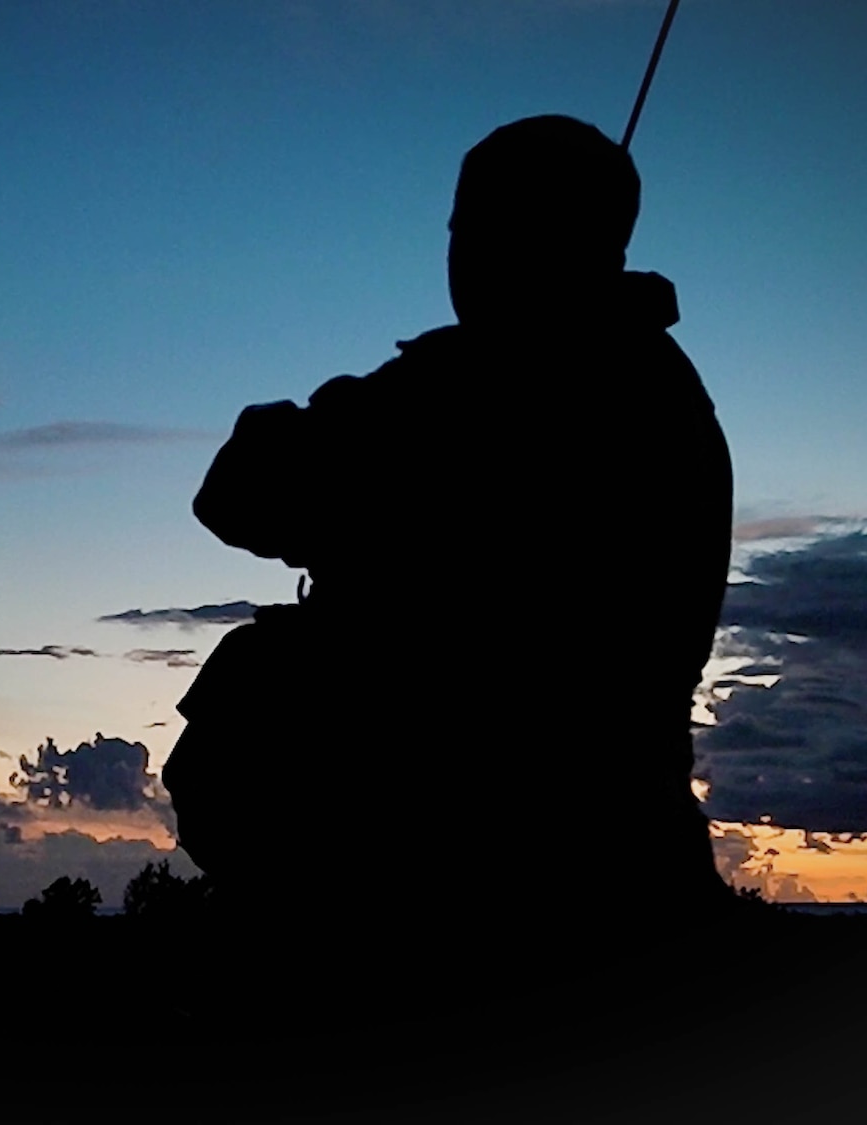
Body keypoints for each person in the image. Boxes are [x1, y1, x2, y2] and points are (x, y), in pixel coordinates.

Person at [163, 116, 735, 938]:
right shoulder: (671, 396)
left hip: (440, 883)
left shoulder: (465, 394)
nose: (459, 255)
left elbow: (237, 490)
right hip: (620, 868)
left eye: (472, 228)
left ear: (523, 234)